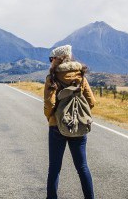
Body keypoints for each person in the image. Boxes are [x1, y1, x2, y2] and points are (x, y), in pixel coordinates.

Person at [44, 44, 96, 199]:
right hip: (78, 125)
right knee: (82, 167)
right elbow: (91, 102)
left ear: (57, 59)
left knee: (54, 168)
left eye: (51, 58)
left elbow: (49, 104)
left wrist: (50, 117)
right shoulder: (81, 77)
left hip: (56, 127)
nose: (50, 61)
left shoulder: (52, 77)